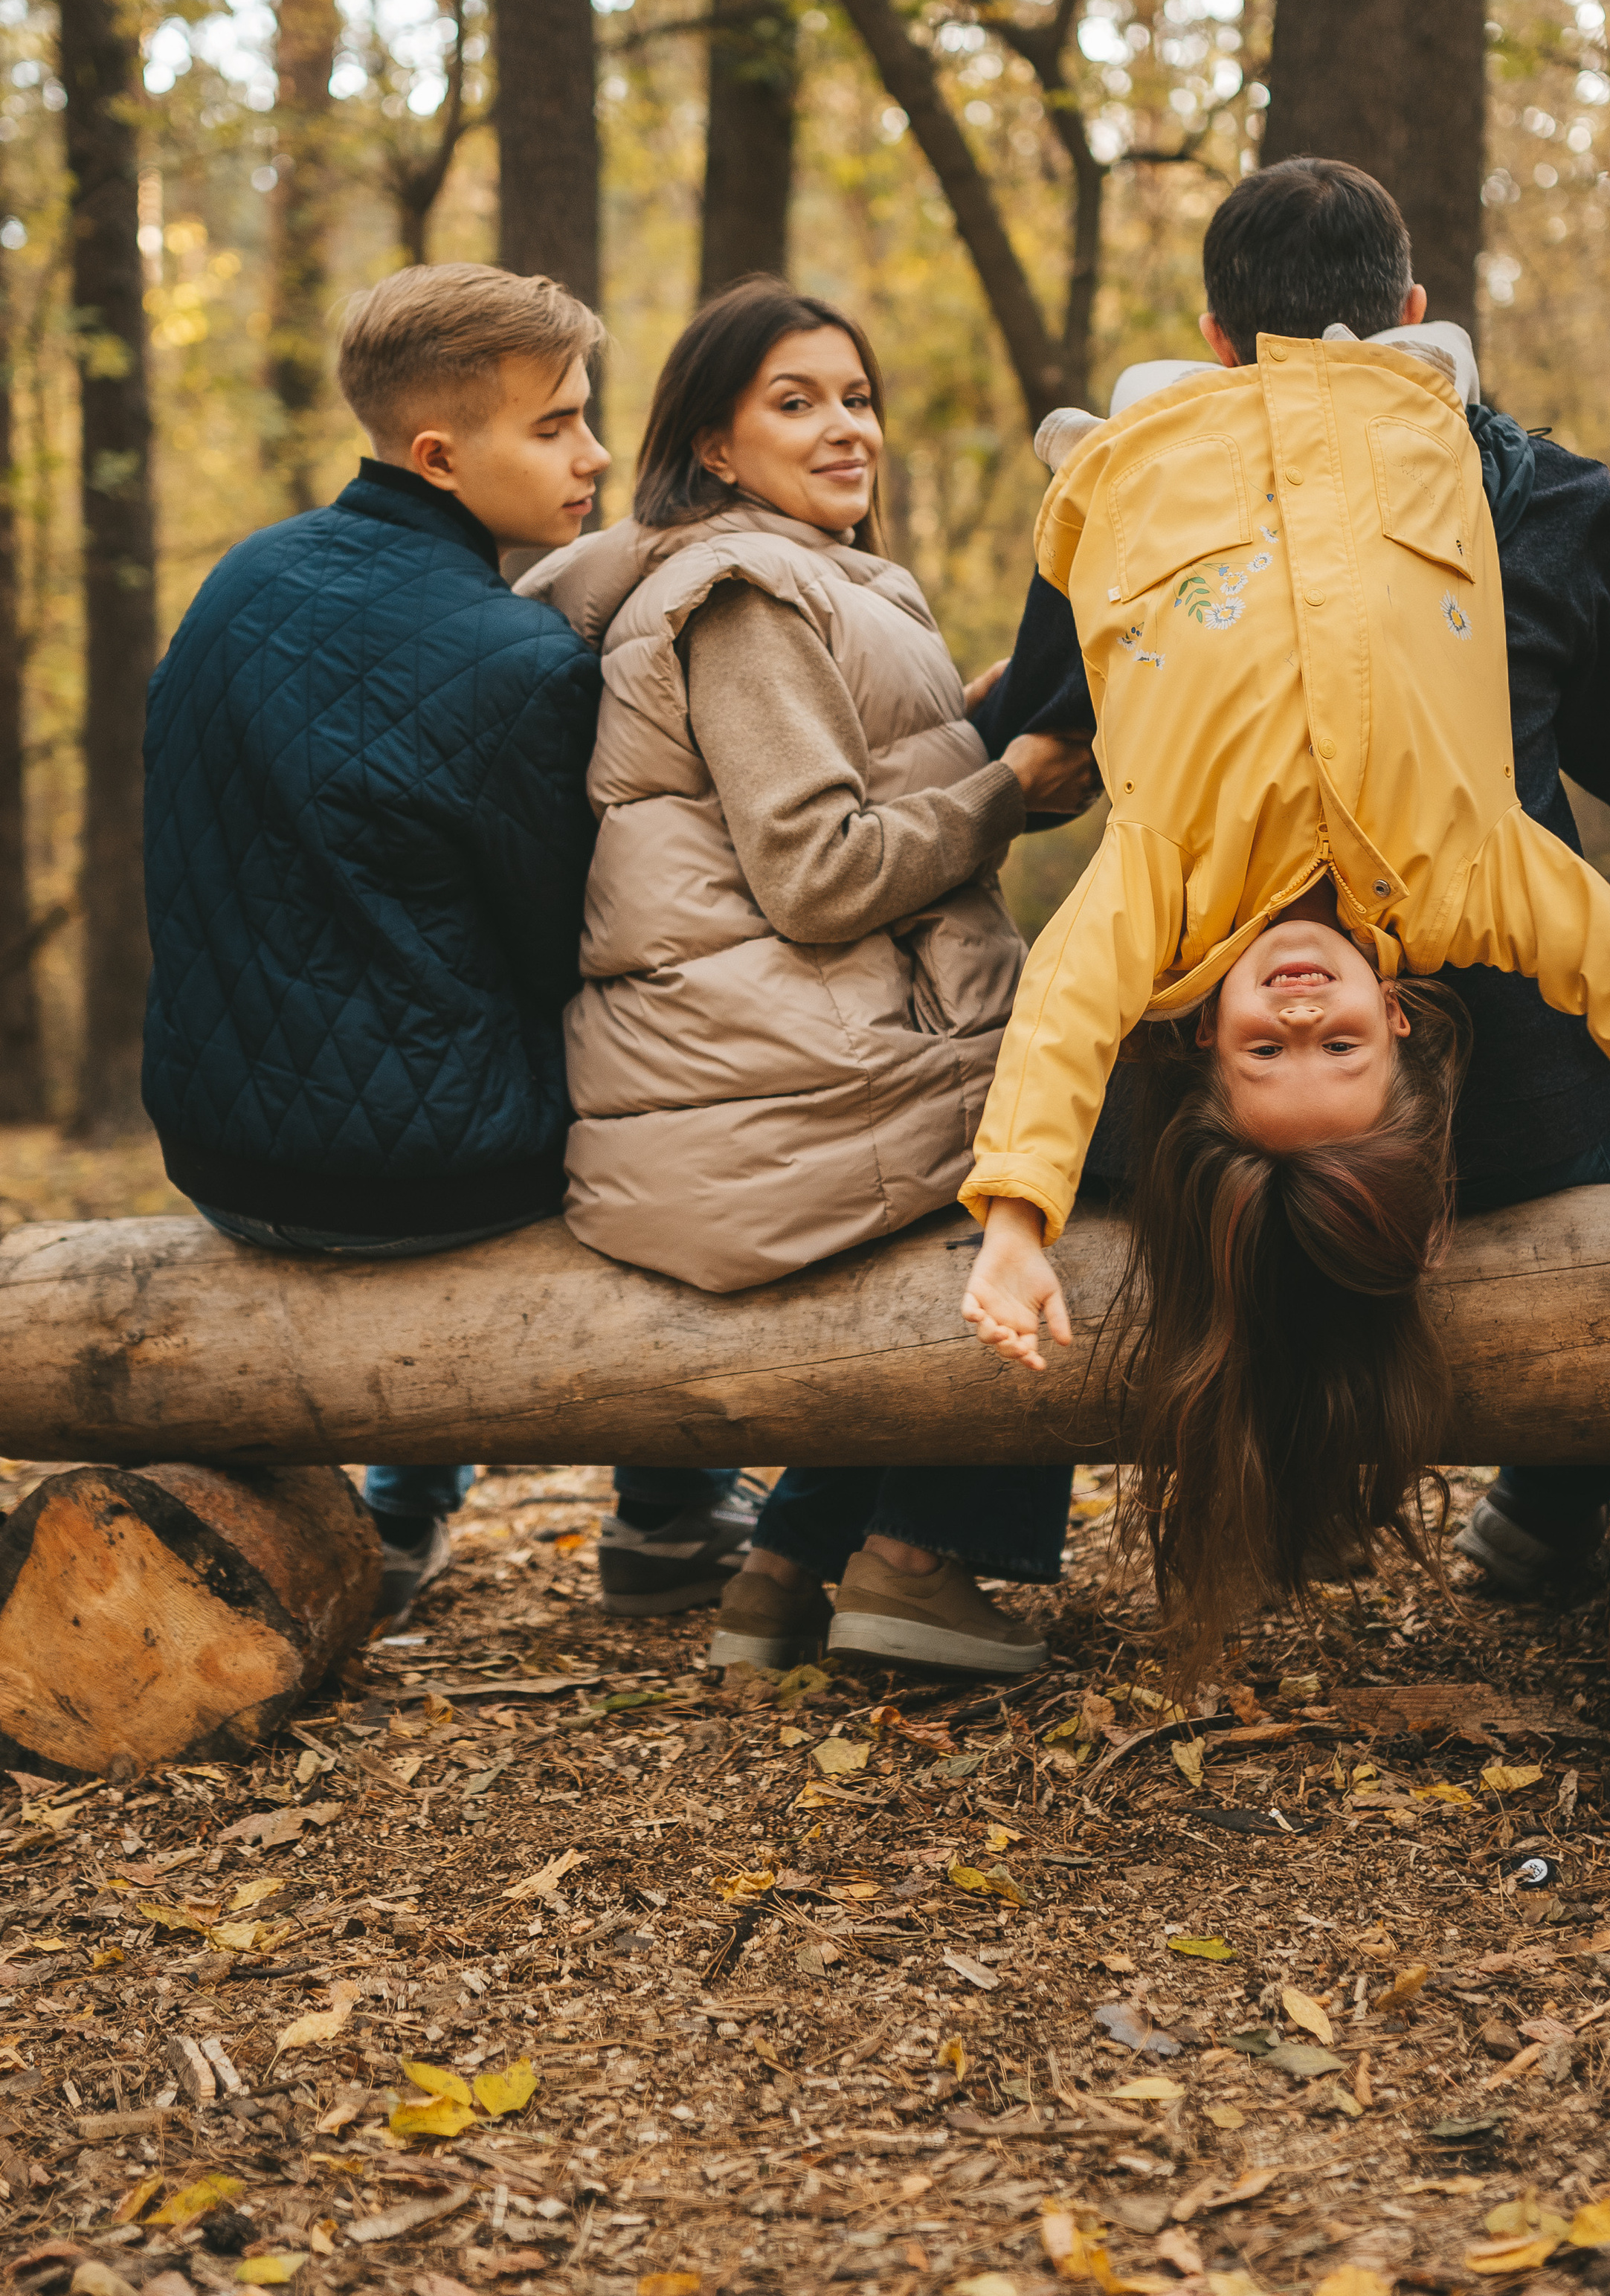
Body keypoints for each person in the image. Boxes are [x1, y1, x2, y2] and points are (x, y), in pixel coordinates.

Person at [956, 161, 1610, 1683]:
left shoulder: (1163, 881)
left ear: (1214, 333)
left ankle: (944, 1528)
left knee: (1106, 457)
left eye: (1266, 1037)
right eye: (1335, 1036)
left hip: (1160, 477)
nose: (1296, 996)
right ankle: (1551, 1507)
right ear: (1404, 1030)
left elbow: (1059, 1008)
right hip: (1527, 1110)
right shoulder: (1463, 849)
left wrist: (1015, 1214)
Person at [142, 264, 754, 1623]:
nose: (595, 456)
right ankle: (672, 1505)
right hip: (421, 1185)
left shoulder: (242, 580)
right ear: (438, 454)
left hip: (217, 1154)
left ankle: (407, 1505)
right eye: (556, 426)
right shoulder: (515, 658)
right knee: (649, 1081)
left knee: (423, 1054)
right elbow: (568, 953)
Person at [519, 276, 1098, 1678]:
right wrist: (1011, 785)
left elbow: (834, 770)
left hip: (769, 1061)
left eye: (856, 397)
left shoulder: (797, 578)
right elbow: (819, 873)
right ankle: (921, 1563)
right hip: (774, 1090)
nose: (848, 429)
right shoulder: (744, 590)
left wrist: (990, 716)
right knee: (1076, 1153)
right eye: (797, 403)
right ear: (715, 446)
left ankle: (785, 1570)